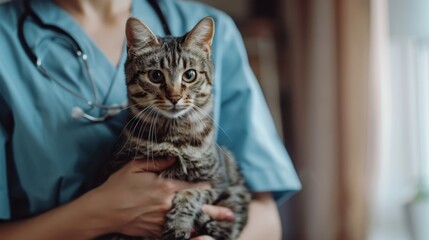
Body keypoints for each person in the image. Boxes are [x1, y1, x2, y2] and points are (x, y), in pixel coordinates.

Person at [0, 0, 301, 239]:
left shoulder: (216, 27)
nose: (173, 94)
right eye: (157, 77)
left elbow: (267, 219)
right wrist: (99, 213)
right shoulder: (6, 38)